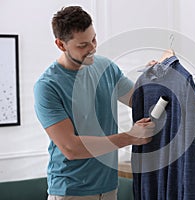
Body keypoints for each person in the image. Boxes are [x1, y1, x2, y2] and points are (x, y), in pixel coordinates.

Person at [33, 6, 155, 200]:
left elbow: (139, 100)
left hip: (108, 188)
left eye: (94, 39)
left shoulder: (106, 67)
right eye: (83, 45)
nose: (92, 48)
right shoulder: (47, 87)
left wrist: (154, 80)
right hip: (70, 192)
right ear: (61, 45)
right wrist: (130, 137)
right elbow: (70, 148)